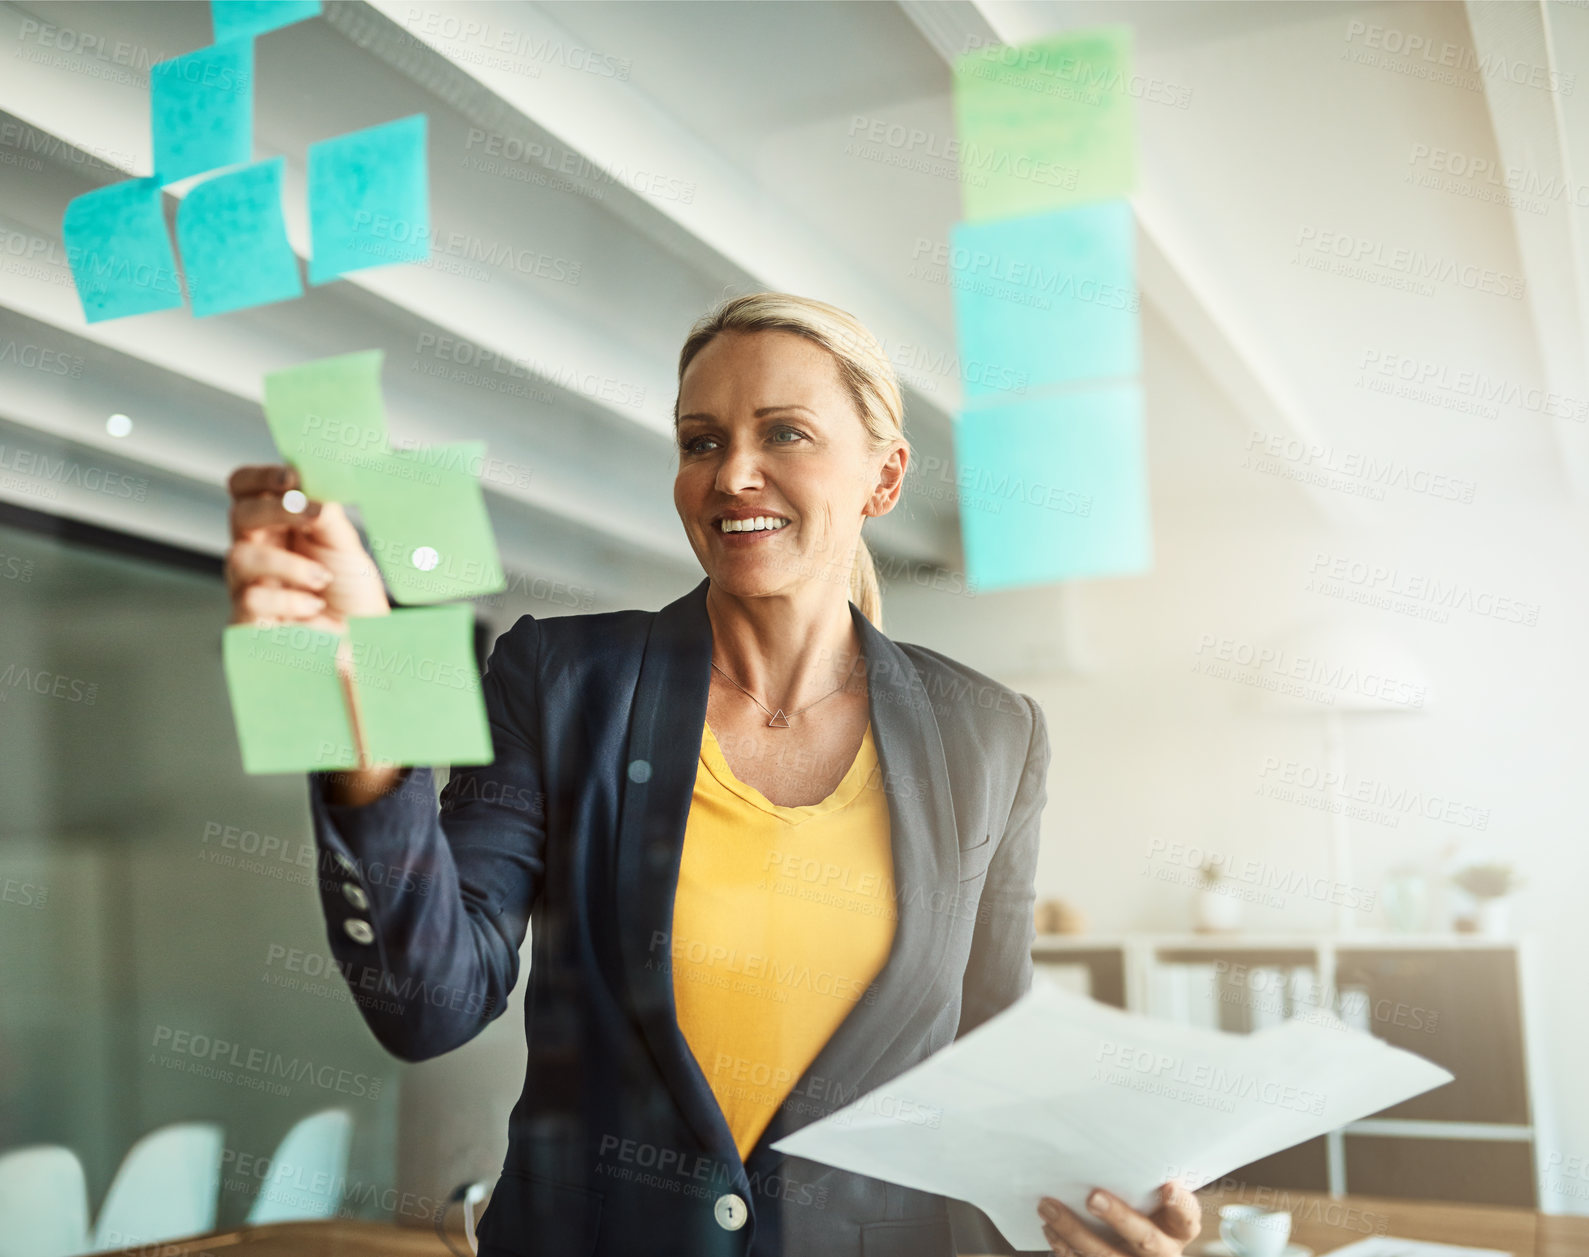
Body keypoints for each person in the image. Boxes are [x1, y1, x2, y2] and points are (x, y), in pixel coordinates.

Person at [223, 292, 1201, 1257]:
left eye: (784, 434)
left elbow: (990, 1060)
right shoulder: (561, 679)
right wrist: (364, 726)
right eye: (700, 441)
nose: (732, 472)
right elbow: (427, 1006)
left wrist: (1103, 1206)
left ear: (883, 476)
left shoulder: (989, 732)